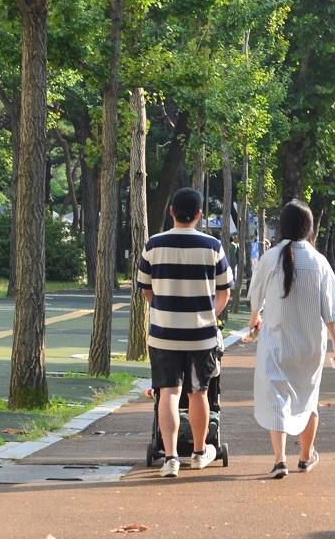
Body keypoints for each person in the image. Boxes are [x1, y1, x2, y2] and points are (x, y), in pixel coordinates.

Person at [249, 200, 335, 478]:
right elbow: (329, 310)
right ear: (310, 228)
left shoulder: (270, 257)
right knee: (308, 399)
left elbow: (255, 296)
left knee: (277, 398)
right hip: (309, 345)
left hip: (276, 343)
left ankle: (280, 459)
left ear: (282, 225)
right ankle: (305, 457)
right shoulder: (319, 261)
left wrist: (254, 319)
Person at [137, 187, 232, 478]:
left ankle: (170, 457)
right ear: (200, 215)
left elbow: (145, 289)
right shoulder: (212, 246)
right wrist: (208, 314)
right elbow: (224, 291)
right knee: (199, 392)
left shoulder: (153, 245)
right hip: (201, 333)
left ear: (171, 212)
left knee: (168, 392)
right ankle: (200, 452)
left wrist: (163, 308)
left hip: (164, 332)